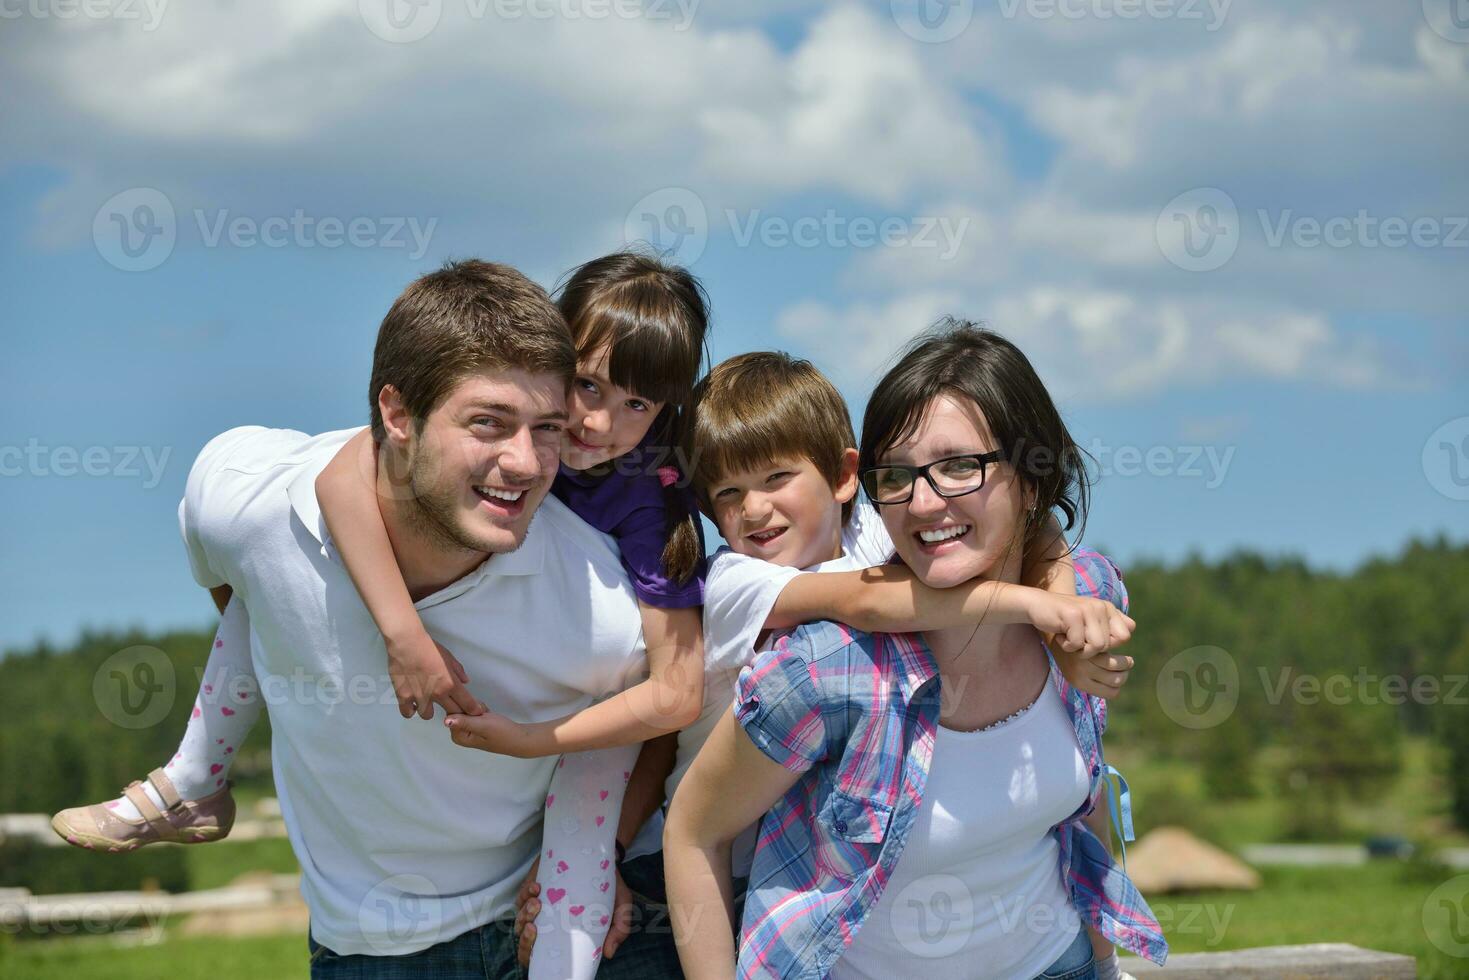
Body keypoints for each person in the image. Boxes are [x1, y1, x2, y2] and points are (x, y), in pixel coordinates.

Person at [55, 259, 682, 979]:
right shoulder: (247, 499)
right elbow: (240, 585)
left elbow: (662, 718)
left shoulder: (603, 602)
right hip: (355, 950)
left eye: (546, 427)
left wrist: (599, 856)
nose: (526, 461)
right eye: (488, 422)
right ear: (396, 413)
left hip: (528, 926)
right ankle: (190, 780)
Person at [664, 324, 1168, 980]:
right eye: (897, 475)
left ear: (1030, 473)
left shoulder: (1087, 603)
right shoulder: (824, 667)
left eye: (960, 464)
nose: (924, 502)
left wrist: (1103, 967)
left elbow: (1083, 804)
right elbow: (693, 833)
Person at [313, 250, 710, 979]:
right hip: (449, 787)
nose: (596, 422)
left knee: (567, 893)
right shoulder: (506, 433)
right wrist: (403, 634)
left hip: (595, 734)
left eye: (637, 405)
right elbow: (342, 473)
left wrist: (532, 742)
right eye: (585, 385)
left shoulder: (648, 494)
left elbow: (677, 693)